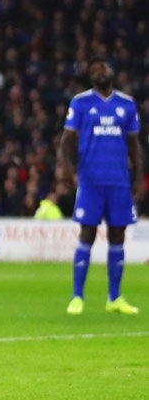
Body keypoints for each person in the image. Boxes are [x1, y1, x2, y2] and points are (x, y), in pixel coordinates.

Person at [58, 58, 143, 316]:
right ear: (91, 77)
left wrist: (138, 177)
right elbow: (66, 141)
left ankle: (114, 297)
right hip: (91, 181)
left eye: (103, 67)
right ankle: (77, 296)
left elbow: (134, 144)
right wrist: (72, 170)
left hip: (118, 181)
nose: (99, 71)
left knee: (118, 235)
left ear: (111, 71)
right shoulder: (81, 102)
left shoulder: (126, 104)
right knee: (87, 234)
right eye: (94, 69)